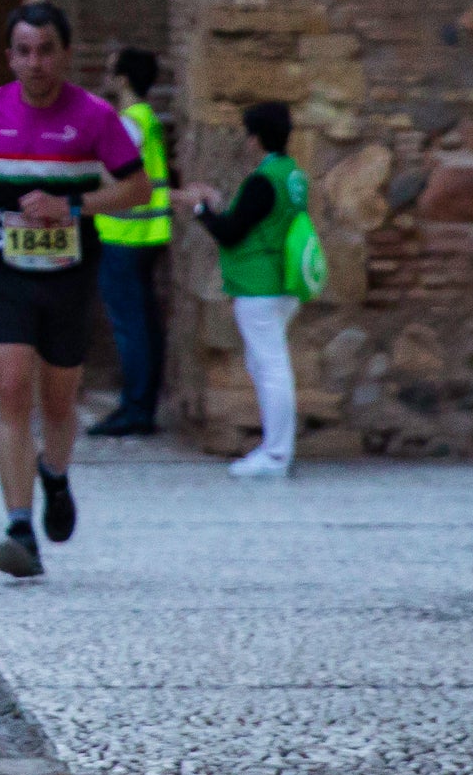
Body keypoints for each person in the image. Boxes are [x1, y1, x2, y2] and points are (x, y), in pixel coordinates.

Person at [0, 5, 154, 580]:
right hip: (6, 268)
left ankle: (55, 477)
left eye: (45, 50)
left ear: (64, 54)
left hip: (69, 274)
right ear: (10, 56)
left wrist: (74, 206)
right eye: (23, 51)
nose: (34, 62)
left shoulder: (93, 116)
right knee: (12, 389)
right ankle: (19, 525)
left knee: (60, 400)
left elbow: (137, 186)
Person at [191, 99, 318, 480]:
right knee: (265, 364)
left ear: (256, 139)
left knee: (271, 367)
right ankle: (274, 448)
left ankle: (277, 454)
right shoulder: (292, 175)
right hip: (283, 281)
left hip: (258, 284)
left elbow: (231, 232)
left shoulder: (262, 180)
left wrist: (201, 210)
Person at [86, 46, 176, 439]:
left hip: (126, 236)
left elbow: (110, 174)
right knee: (142, 323)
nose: (106, 78)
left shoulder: (130, 123)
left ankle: (136, 408)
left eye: (110, 72)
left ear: (122, 79)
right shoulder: (146, 119)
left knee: (131, 326)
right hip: (145, 234)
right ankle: (140, 404)